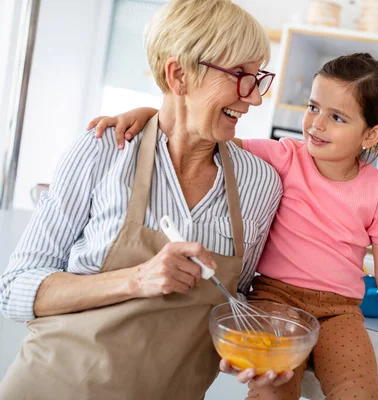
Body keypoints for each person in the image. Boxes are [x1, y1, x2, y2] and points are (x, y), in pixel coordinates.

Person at [90, 52, 378, 400]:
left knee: (360, 392)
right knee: (270, 390)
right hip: (273, 300)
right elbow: (206, 132)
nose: (317, 124)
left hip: (339, 311)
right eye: (313, 107)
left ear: (372, 135)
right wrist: (148, 113)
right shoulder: (285, 155)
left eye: (337, 117)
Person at [0, 1, 288, 398]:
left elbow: (233, 299)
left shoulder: (260, 184)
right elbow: (14, 290)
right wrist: (136, 279)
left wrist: (255, 349)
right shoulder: (104, 151)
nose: (254, 98)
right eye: (240, 75)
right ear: (179, 75)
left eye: (258, 78)